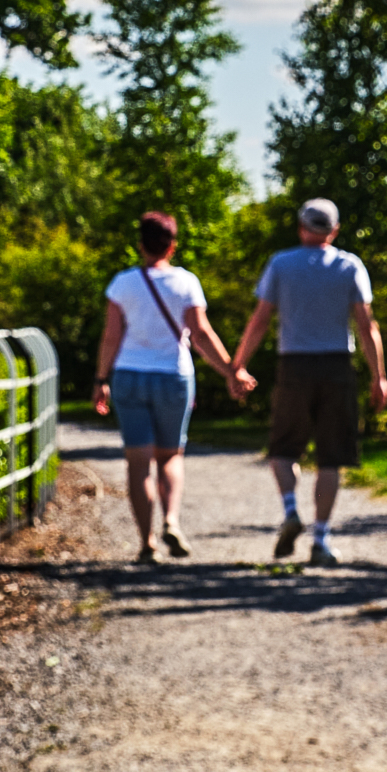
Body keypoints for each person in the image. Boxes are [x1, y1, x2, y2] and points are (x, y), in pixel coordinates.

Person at [221, 197, 387, 563]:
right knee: (332, 457)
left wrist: (238, 365)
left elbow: (261, 319)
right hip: (337, 367)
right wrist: (379, 377)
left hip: (293, 366)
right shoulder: (350, 266)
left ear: (301, 227)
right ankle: (321, 540)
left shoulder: (281, 264)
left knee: (282, 449)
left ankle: (291, 510)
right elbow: (365, 325)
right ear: (335, 230)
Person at [92, 212, 238, 563]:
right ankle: (171, 520)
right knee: (170, 455)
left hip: (129, 375)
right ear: (172, 246)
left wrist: (100, 380)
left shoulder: (122, 283)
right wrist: (231, 370)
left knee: (138, 463)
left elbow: (111, 337)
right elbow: (201, 335)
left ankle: (147, 544)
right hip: (174, 376)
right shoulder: (186, 282)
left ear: (140, 245)